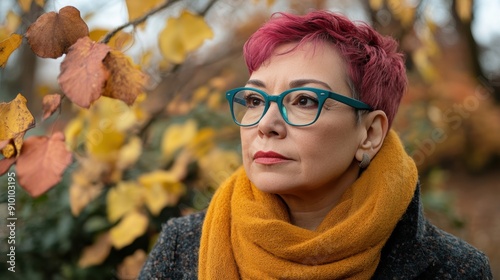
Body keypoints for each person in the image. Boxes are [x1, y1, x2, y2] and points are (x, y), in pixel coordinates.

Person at [139, 10, 492, 279]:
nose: (266, 124)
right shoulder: (182, 248)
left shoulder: (455, 268)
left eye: (304, 100)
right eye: (255, 100)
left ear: (369, 133)